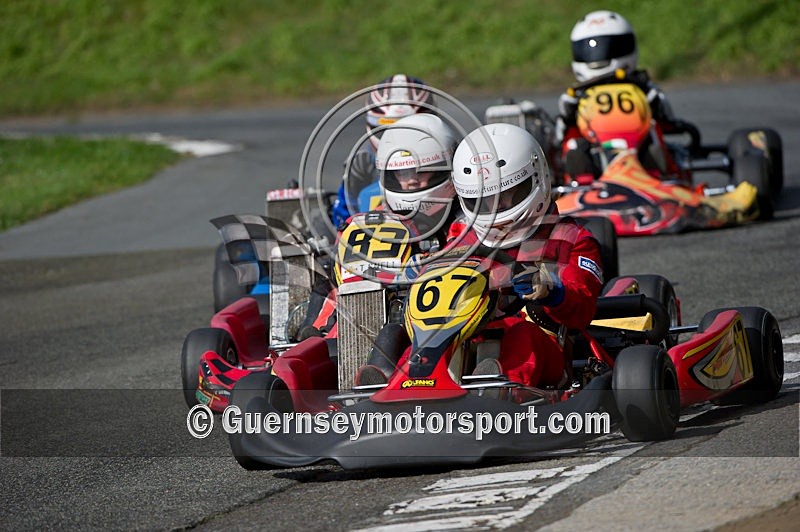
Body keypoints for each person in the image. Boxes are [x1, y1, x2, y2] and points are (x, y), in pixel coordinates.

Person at [444, 123, 604, 389]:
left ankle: (496, 392)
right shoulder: (461, 236)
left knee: (522, 335)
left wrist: (551, 290)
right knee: (412, 335)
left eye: (506, 195)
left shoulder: (569, 239)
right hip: (468, 338)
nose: (495, 208)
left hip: (545, 346)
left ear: (535, 179)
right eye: (483, 200)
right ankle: (392, 384)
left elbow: (583, 308)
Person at [304, 113, 460, 345]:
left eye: (421, 171)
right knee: (325, 275)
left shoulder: (463, 216)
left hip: (436, 315)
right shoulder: (374, 218)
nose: (412, 181)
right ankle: (322, 337)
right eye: (403, 173)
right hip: (373, 309)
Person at [556, 10, 680, 184]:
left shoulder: (643, 88)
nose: (597, 55)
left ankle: (658, 171)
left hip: (641, 146)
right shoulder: (573, 98)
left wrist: (655, 104)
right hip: (593, 151)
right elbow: (560, 135)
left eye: (606, 46)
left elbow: (670, 122)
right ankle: (581, 178)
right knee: (573, 143)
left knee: (653, 129)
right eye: (590, 48)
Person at [329, 74, 436, 228]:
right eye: (388, 131)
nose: (398, 141)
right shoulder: (362, 163)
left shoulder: (447, 157)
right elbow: (343, 218)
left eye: (408, 130)